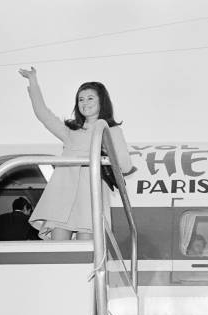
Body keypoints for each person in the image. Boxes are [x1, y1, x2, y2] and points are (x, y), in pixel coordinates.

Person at [18, 67, 132, 240]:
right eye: (80, 99)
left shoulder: (110, 130)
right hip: (63, 198)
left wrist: (106, 148)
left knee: (85, 254)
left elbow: (125, 165)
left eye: (90, 98)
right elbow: (43, 114)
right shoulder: (70, 132)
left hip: (89, 199)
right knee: (59, 253)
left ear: (102, 101)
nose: (84, 103)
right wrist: (33, 81)